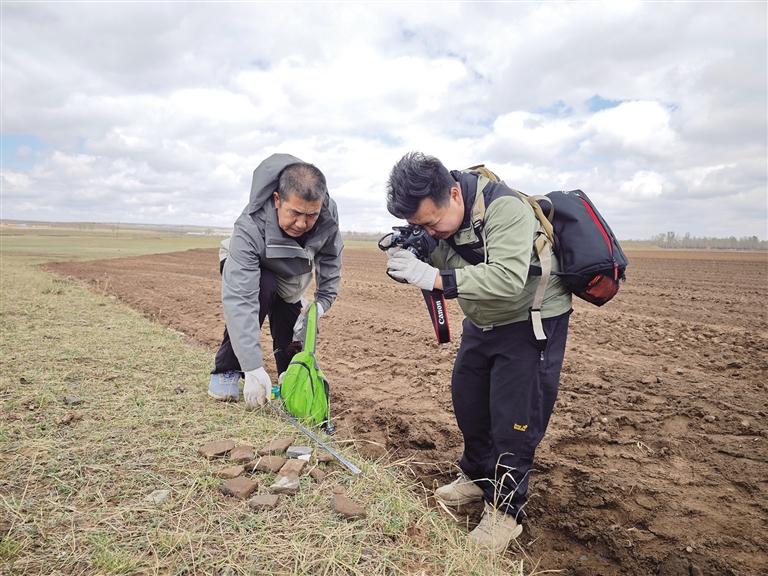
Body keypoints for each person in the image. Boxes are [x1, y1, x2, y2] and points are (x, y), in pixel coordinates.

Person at [383, 152, 572, 553]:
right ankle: (476, 476)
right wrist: (411, 252)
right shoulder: (443, 222)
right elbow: (439, 252)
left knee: (514, 421)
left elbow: (505, 278)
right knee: (469, 402)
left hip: (529, 322)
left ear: (454, 193)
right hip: (482, 323)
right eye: (420, 225)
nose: (431, 232)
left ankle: (506, 512)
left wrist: (432, 275)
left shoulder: (506, 208)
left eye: (432, 222)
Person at [208, 154, 343, 407]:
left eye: (311, 215)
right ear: (277, 200)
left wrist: (322, 303)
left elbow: (331, 256)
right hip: (250, 270)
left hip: (291, 272)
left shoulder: (327, 213)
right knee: (262, 288)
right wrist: (252, 367)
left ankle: (290, 378)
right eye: (295, 213)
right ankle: (226, 371)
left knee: (292, 323)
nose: (302, 223)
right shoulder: (250, 225)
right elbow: (241, 300)